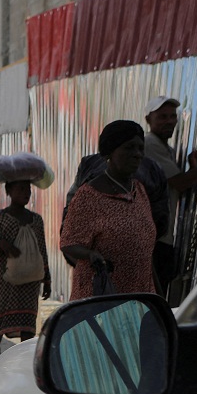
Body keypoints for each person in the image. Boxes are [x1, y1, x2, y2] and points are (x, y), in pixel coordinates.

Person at [62, 120, 156, 300]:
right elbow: (68, 243)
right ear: (109, 153)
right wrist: (90, 254)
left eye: (140, 148)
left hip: (139, 299)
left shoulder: (139, 191)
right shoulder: (89, 196)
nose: (137, 154)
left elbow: (146, 250)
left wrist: (157, 300)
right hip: (101, 301)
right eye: (129, 148)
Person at [143, 96, 197, 293]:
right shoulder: (149, 144)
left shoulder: (166, 149)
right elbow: (179, 183)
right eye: (162, 117)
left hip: (161, 236)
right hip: (155, 238)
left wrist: (193, 168)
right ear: (148, 120)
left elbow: (175, 186)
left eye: (172, 116)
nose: (169, 121)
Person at [0, 180, 51, 362]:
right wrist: (1, 244)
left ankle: (24, 360)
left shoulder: (36, 220)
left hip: (31, 281)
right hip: (5, 280)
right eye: (21, 188)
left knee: (28, 323)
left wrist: (47, 279)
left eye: (28, 189)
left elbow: (42, 250)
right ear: (8, 191)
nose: (27, 192)